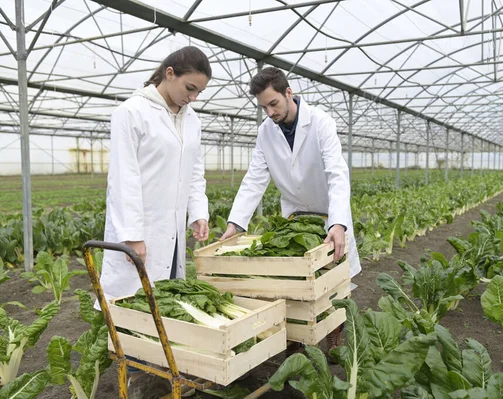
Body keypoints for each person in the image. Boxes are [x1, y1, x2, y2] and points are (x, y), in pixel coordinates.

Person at [220, 67, 361, 358]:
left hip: (327, 216)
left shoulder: (320, 122)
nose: (270, 112)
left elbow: (337, 174)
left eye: (274, 103)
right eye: (264, 107)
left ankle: (334, 335)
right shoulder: (265, 132)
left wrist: (338, 223)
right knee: (292, 283)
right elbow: (255, 178)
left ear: (288, 93)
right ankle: (294, 340)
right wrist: (236, 222)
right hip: (295, 220)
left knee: (331, 283)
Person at [100, 46, 212, 398]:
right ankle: (137, 378)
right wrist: (132, 235)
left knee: (162, 304)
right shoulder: (132, 112)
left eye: (199, 92)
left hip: (172, 232)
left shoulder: (190, 119)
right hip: (140, 231)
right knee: (135, 308)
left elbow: (195, 171)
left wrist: (199, 212)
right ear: (169, 74)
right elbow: (124, 178)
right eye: (189, 88)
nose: (193, 98)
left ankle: (162, 371)